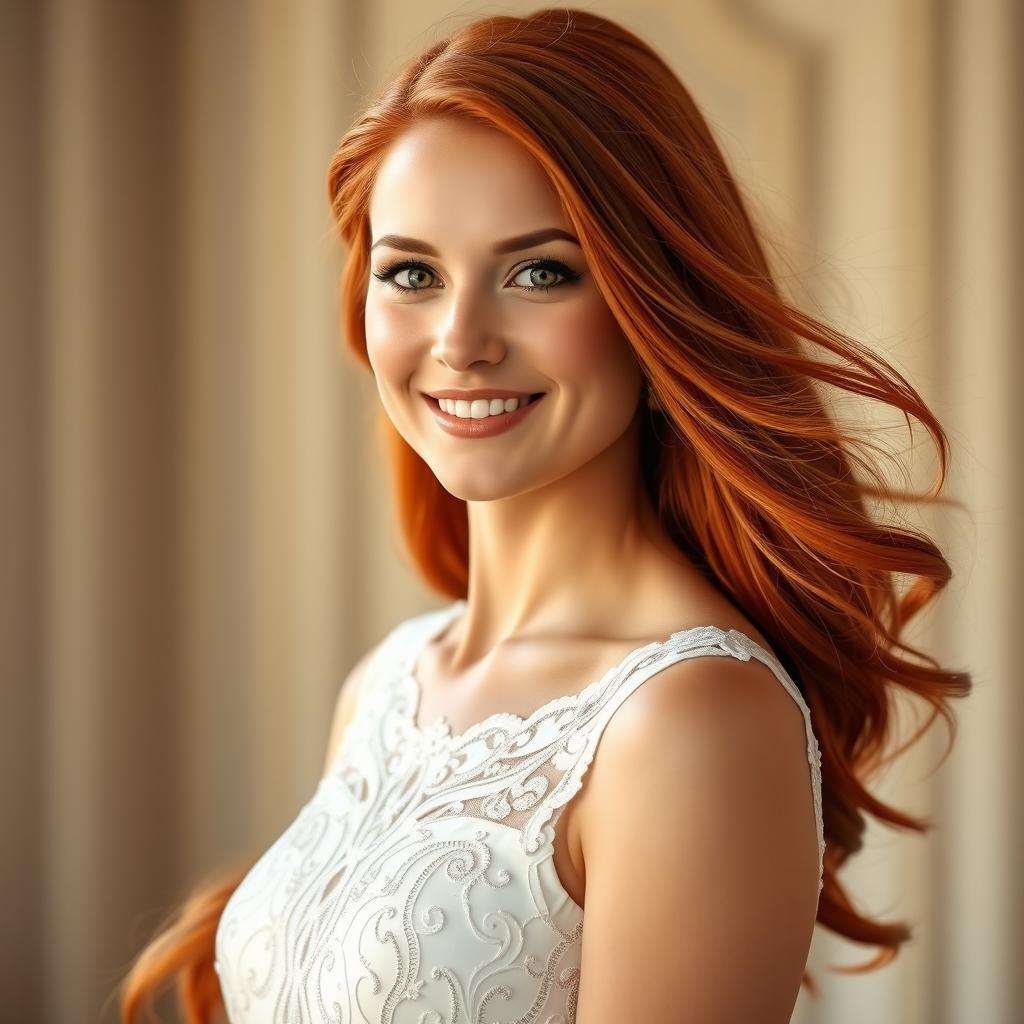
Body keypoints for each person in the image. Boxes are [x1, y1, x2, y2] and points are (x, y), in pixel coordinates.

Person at [120, 8, 971, 1023]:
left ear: (652, 305)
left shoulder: (693, 720)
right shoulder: (389, 681)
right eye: (412, 273)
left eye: (539, 272)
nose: (460, 339)